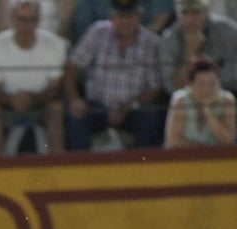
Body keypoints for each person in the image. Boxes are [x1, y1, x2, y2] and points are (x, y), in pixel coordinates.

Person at [65, 0, 167, 151]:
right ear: (111, 17)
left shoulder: (151, 42)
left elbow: (155, 88)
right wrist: (75, 99)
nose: (124, 22)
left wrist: (128, 107)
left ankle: (144, 170)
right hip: (97, 107)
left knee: (150, 118)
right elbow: (72, 66)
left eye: (130, 16)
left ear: (139, 16)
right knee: (77, 116)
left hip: (133, 108)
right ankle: (79, 170)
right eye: (120, 17)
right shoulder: (98, 32)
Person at [0, 0, 67, 155]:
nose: (25, 25)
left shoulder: (55, 44)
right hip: (7, 104)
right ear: (12, 18)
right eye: (21, 19)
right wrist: (11, 100)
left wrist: (32, 99)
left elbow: (55, 88)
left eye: (31, 20)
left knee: (56, 109)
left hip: (42, 103)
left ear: (38, 20)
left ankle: (59, 162)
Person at [158, 0, 237, 104]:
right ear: (178, 14)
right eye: (185, 13)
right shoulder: (169, 39)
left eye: (196, 12)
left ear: (206, 12)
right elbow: (175, 88)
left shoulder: (222, 27)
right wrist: (190, 52)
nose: (191, 19)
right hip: (190, 99)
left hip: (229, 93)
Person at [163, 54, 237, 147]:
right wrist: (204, 150)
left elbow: (229, 140)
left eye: (212, 83)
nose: (207, 89)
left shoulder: (227, 100)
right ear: (191, 84)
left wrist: (208, 110)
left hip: (216, 160)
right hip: (181, 159)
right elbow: (173, 141)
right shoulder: (180, 100)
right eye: (202, 84)